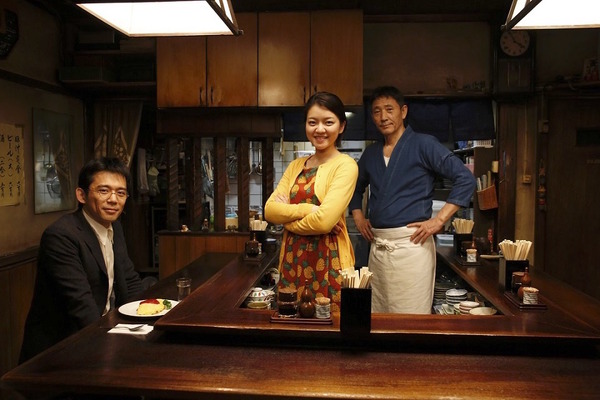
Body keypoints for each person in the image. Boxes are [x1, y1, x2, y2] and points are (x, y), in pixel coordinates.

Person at [349, 86, 476, 314]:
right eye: (377, 111)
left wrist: (439, 220)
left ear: (403, 111)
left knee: (411, 316)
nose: (383, 117)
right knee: (379, 315)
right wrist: (358, 216)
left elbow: (465, 178)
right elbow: (355, 188)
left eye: (389, 109)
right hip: (378, 247)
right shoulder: (371, 153)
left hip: (412, 247)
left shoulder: (424, 144)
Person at [20, 157, 143, 363]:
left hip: (101, 335)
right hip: (60, 350)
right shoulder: (61, 235)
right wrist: (112, 347)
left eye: (121, 193)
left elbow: (129, 280)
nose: (113, 199)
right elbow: (80, 306)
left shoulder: (115, 227)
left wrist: (147, 318)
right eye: (104, 191)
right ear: (81, 195)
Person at [265, 92, 358, 312]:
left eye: (328, 122)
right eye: (313, 122)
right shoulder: (295, 166)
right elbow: (270, 211)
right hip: (291, 261)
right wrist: (309, 209)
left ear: (341, 126)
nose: (320, 129)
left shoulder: (345, 166)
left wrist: (287, 220)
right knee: (290, 320)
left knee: (328, 322)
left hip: (329, 262)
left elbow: (324, 222)